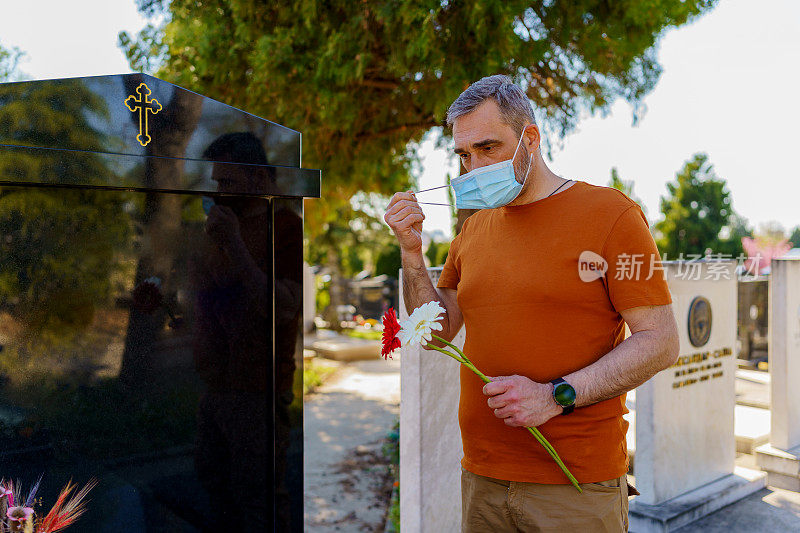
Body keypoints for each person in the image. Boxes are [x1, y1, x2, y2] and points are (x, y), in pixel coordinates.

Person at [384, 75, 679, 532]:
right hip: (482, 478)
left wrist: (555, 396)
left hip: (576, 486)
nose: (474, 168)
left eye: (488, 148)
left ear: (531, 139)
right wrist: (411, 253)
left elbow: (660, 342)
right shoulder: (473, 229)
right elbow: (437, 333)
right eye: (464, 155)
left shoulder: (613, 215)